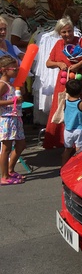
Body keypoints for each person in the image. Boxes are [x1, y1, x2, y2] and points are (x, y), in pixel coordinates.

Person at [44, 16, 82, 149]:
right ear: (59, 33)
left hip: (77, 82)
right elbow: (48, 63)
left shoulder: (81, 41)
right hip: (62, 83)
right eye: (64, 32)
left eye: (69, 31)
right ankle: (64, 141)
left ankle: (78, 143)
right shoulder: (58, 44)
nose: (67, 34)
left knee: (78, 110)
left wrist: (78, 65)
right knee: (62, 109)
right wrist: (58, 63)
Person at [0, 56, 26, 185]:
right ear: (4, 70)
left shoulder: (11, 84)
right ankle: (4, 176)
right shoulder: (2, 85)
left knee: (21, 144)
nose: (17, 71)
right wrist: (12, 101)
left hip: (16, 117)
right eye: (14, 69)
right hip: (7, 119)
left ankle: (10, 169)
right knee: (6, 148)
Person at [61, 79, 82, 165]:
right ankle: (78, 167)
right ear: (80, 91)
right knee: (80, 150)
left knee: (67, 150)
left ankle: (62, 167)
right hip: (79, 130)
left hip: (68, 130)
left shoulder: (65, 102)